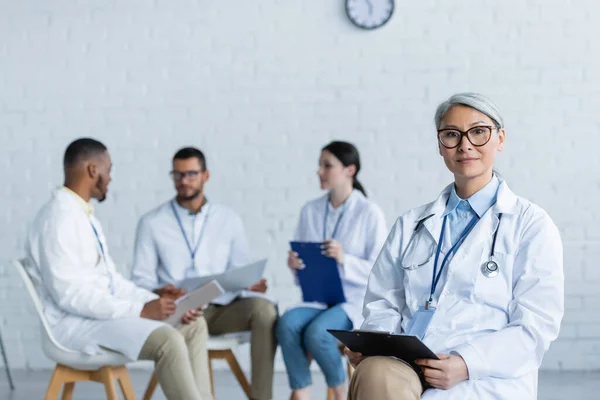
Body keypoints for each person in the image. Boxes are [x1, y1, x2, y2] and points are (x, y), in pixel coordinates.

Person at [346, 93, 564, 400]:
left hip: (485, 378)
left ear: (499, 139)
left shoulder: (531, 225)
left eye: (478, 132)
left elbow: (535, 327)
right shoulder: (411, 224)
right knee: (374, 372)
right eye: (451, 134)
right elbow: (383, 303)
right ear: (440, 145)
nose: (465, 145)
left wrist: (466, 363)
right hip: (407, 367)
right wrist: (377, 345)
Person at [25, 138, 212, 400]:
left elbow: (113, 282)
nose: (110, 178)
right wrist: (140, 310)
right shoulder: (58, 219)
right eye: (108, 169)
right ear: (93, 171)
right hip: (76, 325)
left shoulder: (82, 215)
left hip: (99, 316)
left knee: (192, 325)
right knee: (167, 342)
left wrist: (157, 302)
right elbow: (69, 296)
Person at [131, 147, 278, 400]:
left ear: (205, 176)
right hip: (181, 310)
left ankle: (262, 398)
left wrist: (249, 285)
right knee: (193, 321)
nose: (183, 181)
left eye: (190, 174)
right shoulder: (152, 222)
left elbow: (238, 271)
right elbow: (140, 281)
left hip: (222, 309)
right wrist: (160, 291)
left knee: (265, 311)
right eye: (177, 175)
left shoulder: (228, 219)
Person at [276, 141, 388, 400]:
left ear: (350, 170)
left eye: (327, 165)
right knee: (286, 325)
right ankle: (300, 391)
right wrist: (295, 265)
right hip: (318, 298)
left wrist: (343, 259)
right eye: (320, 165)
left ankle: (341, 393)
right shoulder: (310, 210)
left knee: (318, 334)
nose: (319, 171)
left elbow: (380, 271)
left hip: (351, 301)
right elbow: (302, 263)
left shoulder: (369, 213)